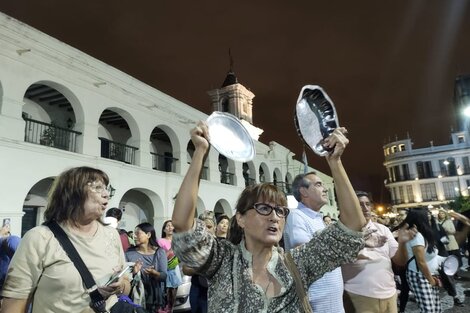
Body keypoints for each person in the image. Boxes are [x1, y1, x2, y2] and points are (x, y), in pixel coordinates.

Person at [171, 122, 366, 312]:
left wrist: (335, 162)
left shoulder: (297, 264)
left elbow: (352, 227)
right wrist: (199, 153)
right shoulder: (222, 260)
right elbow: (182, 225)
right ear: (241, 218)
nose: (274, 216)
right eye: (264, 208)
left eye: (280, 211)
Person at [0, 166, 130, 313]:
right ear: (72, 194)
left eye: (107, 188)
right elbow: (14, 303)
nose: (106, 194)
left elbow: (126, 283)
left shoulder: (112, 235)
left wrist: (120, 286)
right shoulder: (39, 238)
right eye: (98, 188)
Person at [341, 191, 415, 313]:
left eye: (367, 204)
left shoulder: (383, 229)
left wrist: (402, 243)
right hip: (359, 296)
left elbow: (400, 261)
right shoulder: (343, 232)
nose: (365, 208)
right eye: (359, 205)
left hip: (389, 294)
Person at [283, 170, 346, 313]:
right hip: (318, 302)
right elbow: (308, 253)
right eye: (318, 185)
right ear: (304, 192)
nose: (324, 189)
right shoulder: (297, 217)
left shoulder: (317, 219)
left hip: (333, 302)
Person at [400, 208, 441, 313]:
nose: (429, 217)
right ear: (420, 218)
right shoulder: (416, 236)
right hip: (419, 275)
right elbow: (421, 262)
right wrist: (431, 280)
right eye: (427, 215)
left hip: (428, 274)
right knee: (428, 309)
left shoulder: (422, 234)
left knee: (436, 308)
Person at [125, 222, 167, 312]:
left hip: (154, 297)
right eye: (134, 233)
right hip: (135, 297)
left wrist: (155, 273)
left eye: (138, 233)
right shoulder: (129, 253)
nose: (134, 236)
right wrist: (134, 273)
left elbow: (164, 276)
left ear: (148, 234)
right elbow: (124, 277)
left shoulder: (159, 252)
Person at [161, 220, 183, 313]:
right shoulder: (161, 241)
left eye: (172, 226)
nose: (170, 227)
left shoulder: (178, 241)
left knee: (173, 292)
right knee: (166, 292)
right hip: (165, 268)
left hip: (176, 268)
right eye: (167, 226)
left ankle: (171, 309)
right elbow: (161, 255)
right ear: (164, 229)